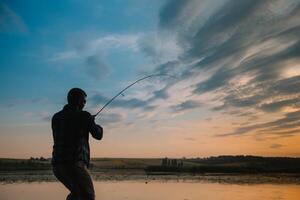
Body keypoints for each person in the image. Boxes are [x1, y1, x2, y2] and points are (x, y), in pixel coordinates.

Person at [51, 88, 103, 200]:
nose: (85, 104)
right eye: (84, 101)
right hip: (75, 164)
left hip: (57, 166)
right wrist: (92, 122)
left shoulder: (56, 117)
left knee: (77, 195)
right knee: (88, 195)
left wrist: (88, 121)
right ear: (79, 100)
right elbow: (98, 135)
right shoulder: (84, 116)